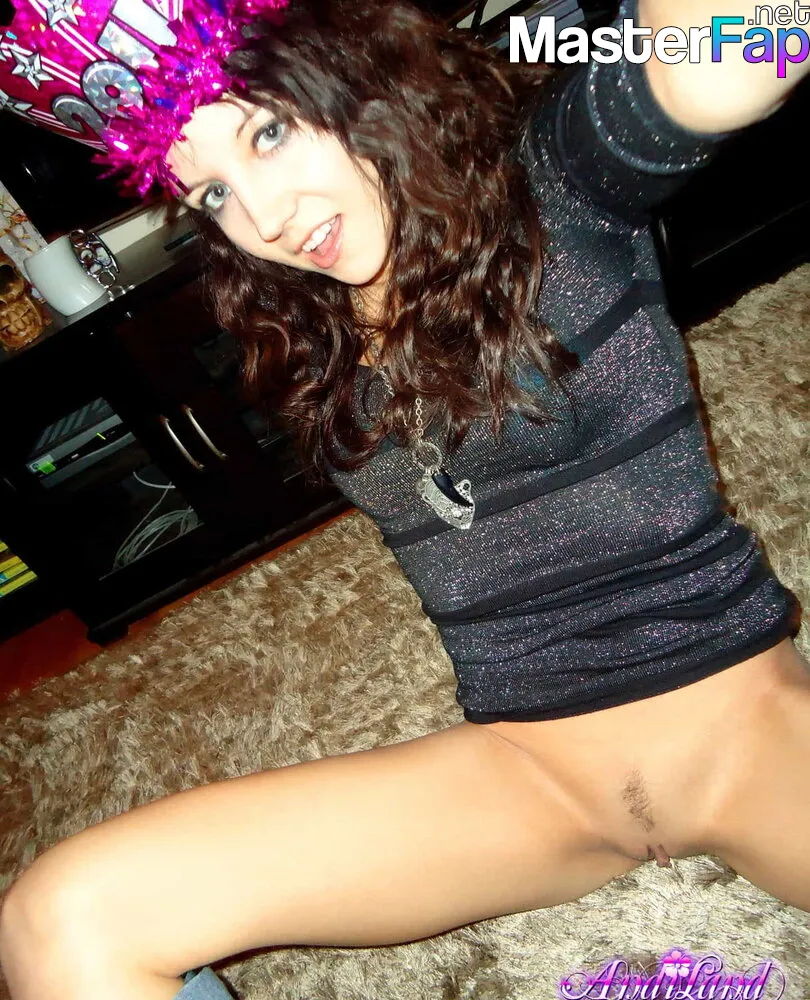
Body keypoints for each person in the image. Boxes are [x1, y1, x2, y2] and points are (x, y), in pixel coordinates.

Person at [1, 0, 809, 997]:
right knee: (60, 917)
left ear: (355, 74)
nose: (264, 218)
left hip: (737, 726)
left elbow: (744, 46)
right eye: (213, 191)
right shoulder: (312, 333)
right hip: (528, 775)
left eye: (267, 132)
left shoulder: (549, 184)